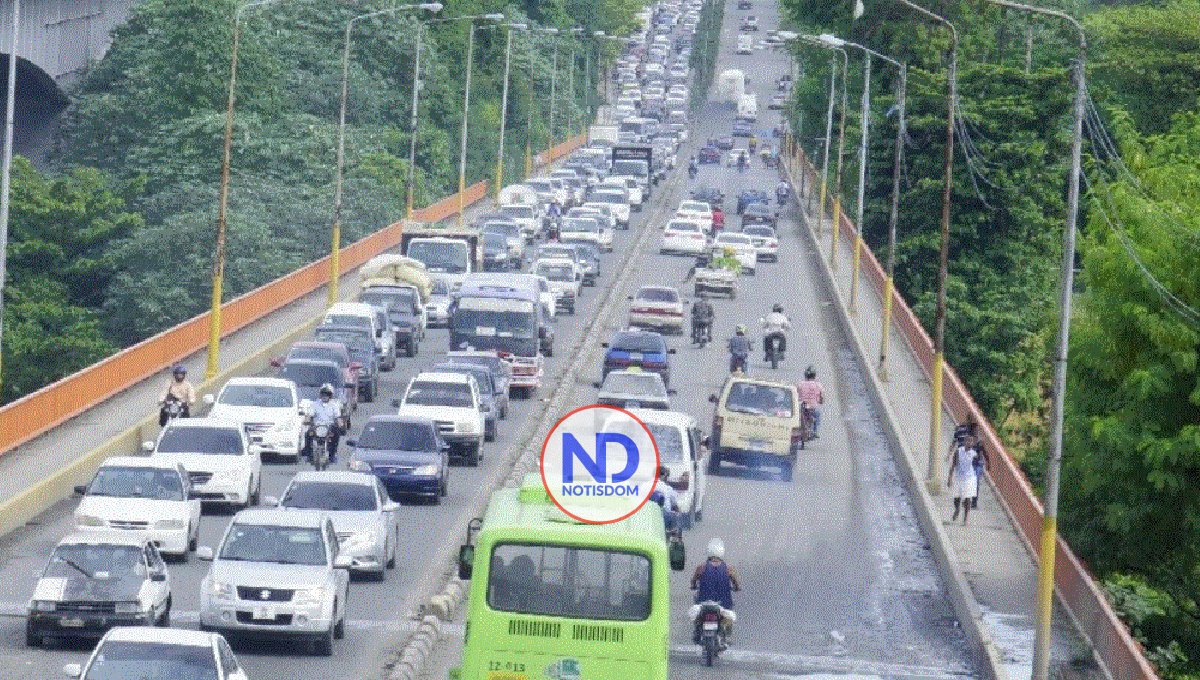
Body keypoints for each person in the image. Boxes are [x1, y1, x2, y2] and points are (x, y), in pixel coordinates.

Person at [690, 537, 740, 641]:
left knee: (697, 617)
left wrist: (693, 586)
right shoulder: (729, 569)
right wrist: (736, 587)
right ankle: (725, 636)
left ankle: (697, 632)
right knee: (728, 619)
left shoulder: (701, 567)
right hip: (723, 604)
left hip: (703, 602)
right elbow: (736, 584)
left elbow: (693, 581)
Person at [304, 383, 344, 463]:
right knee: (308, 434)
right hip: (316, 427)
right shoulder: (314, 404)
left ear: (330, 395)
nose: (325, 396)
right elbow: (309, 415)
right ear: (320, 395)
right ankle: (309, 455)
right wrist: (306, 421)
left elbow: (338, 417)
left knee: (336, 434)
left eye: (327, 394)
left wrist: (341, 426)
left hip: (329, 427)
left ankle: (332, 455)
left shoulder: (334, 405)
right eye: (323, 394)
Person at [947, 439, 979, 524]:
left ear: (973, 443)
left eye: (971, 441)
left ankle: (965, 518)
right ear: (965, 442)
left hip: (969, 478)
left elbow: (979, 461)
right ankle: (957, 509)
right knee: (957, 497)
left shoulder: (974, 454)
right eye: (968, 441)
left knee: (968, 498)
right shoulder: (958, 451)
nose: (970, 443)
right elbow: (953, 465)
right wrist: (950, 477)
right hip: (959, 477)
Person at [650, 465, 683, 532]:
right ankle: (673, 537)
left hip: (646, 514)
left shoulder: (643, 486)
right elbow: (674, 504)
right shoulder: (667, 488)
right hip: (663, 516)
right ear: (664, 475)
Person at [798, 366, 825, 437]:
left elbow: (796, 394)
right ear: (814, 375)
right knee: (817, 415)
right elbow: (822, 398)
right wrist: (820, 401)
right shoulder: (818, 385)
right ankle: (815, 431)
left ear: (806, 375)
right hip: (813, 408)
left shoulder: (800, 384)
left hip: (803, 406)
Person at [971, 440, 989, 509]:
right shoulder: (971, 447)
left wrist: (987, 464)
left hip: (977, 467)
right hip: (972, 467)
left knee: (975, 484)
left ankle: (974, 503)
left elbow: (986, 456)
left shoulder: (981, 446)